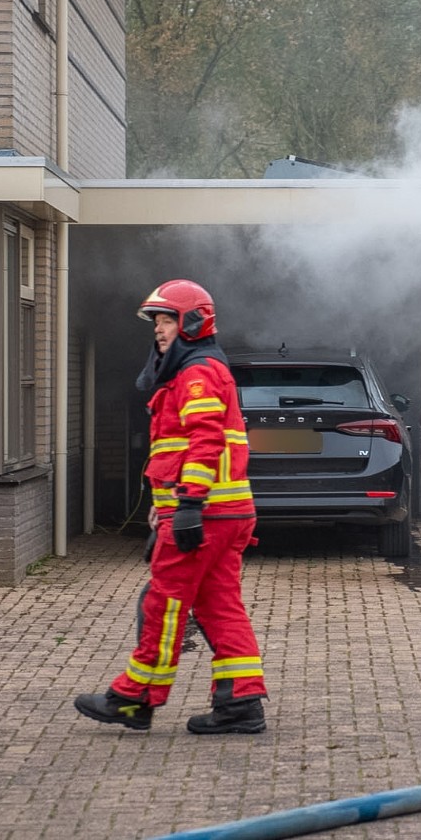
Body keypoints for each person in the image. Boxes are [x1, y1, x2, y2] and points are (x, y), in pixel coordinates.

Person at [74, 279, 268, 734]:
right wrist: (168, 508)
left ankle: (134, 698)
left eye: (167, 320)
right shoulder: (200, 370)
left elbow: (204, 441)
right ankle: (241, 704)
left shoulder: (197, 373)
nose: (159, 330)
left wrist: (188, 506)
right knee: (220, 607)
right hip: (224, 514)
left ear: (193, 323)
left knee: (165, 602)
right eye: (157, 322)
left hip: (207, 515)